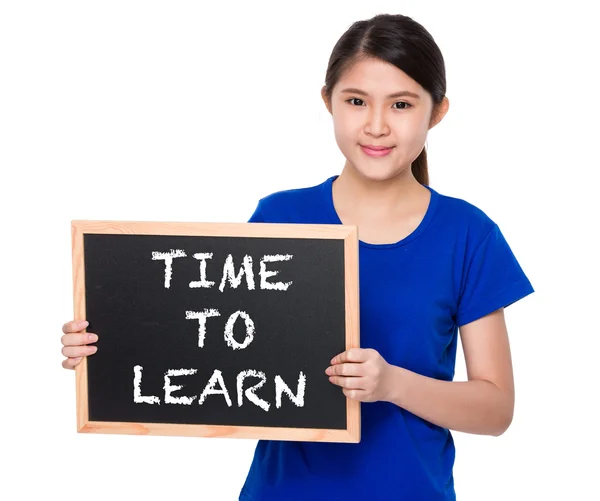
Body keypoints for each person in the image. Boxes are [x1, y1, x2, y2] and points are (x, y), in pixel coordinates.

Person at [60, 13, 535, 501]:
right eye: (356, 101)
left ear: (437, 111)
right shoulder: (280, 216)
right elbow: (210, 341)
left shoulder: (468, 235)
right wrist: (109, 347)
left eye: (401, 104)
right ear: (327, 101)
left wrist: (391, 383)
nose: (375, 125)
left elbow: (496, 408)